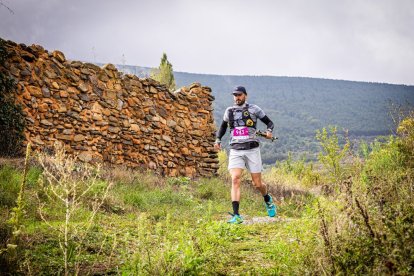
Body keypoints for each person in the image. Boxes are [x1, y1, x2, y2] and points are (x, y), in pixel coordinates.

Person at [214, 86, 276, 224]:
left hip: (252, 149)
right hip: (236, 149)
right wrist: (218, 140)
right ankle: (236, 215)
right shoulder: (229, 111)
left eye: (239, 95)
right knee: (235, 179)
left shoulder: (254, 109)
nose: (237, 97)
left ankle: (267, 199)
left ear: (245, 96)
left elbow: (269, 122)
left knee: (257, 183)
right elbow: (223, 127)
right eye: (235, 95)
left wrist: (269, 131)